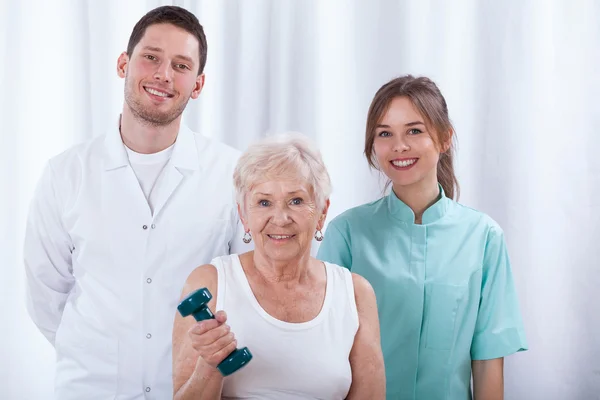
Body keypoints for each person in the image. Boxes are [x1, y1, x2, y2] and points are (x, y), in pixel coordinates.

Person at [23, 6, 250, 399]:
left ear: (197, 85)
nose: (164, 74)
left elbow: (250, 288)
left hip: (193, 389)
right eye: (151, 57)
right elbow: (45, 297)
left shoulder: (233, 175)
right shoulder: (66, 174)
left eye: (181, 65)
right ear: (123, 63)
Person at [317, 75, 529, 399]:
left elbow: (487, 364)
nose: (399, 146)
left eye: (414, 130)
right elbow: (323, 355)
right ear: (373, 145)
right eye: (385, 133)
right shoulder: (346, 234)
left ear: (444, 138)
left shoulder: (484, 238)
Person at [172, 132, 386, 399]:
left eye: (296, 201)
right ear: (244, 215)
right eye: (264, 202)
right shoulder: (210, 283)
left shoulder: (355, 293)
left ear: (321, 213)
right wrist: (209, 365)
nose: (281, 218)